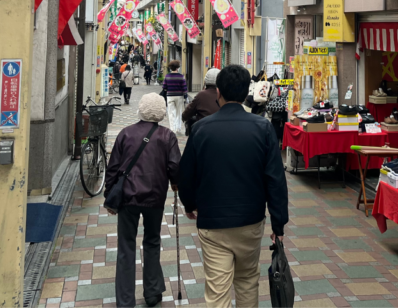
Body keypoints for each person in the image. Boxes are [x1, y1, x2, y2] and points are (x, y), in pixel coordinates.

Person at [179, 65, 288, 308]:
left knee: (217, 290)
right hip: (250, 220)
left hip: (212, 221)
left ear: (219, 92)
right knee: (248, 280)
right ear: (246, 92)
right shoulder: (262, 128)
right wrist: (278, 223)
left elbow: (186, 174)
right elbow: (276, 179)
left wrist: (190, 203)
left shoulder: (200, 130)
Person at [105, 93, 181, 308]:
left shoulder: (125, 134)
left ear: (140, 109)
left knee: (126, 247)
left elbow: (113, 168)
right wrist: (176, 183)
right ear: (161, 113)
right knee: (152, 242)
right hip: (155, 197)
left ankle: (125, 301)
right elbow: (175, 166)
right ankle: (152, 292)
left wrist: (109, 197)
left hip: (128, 198)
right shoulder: (167, 136)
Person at [181, 68, 220, 136]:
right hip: (221, 131)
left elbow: (187, 113)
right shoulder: (225, 95)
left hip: (203, 132)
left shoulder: (201, 95)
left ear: (205, 81)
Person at [162, 60, 187, 135]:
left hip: (170, 96)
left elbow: (164, 87)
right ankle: (178, 128)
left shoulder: (167, 76)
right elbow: (184, 88)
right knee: (179, 112)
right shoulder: (181, 76)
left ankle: (172, 129)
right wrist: (185, 96)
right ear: (177, 68)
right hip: (179, 96)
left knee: (171, 112)